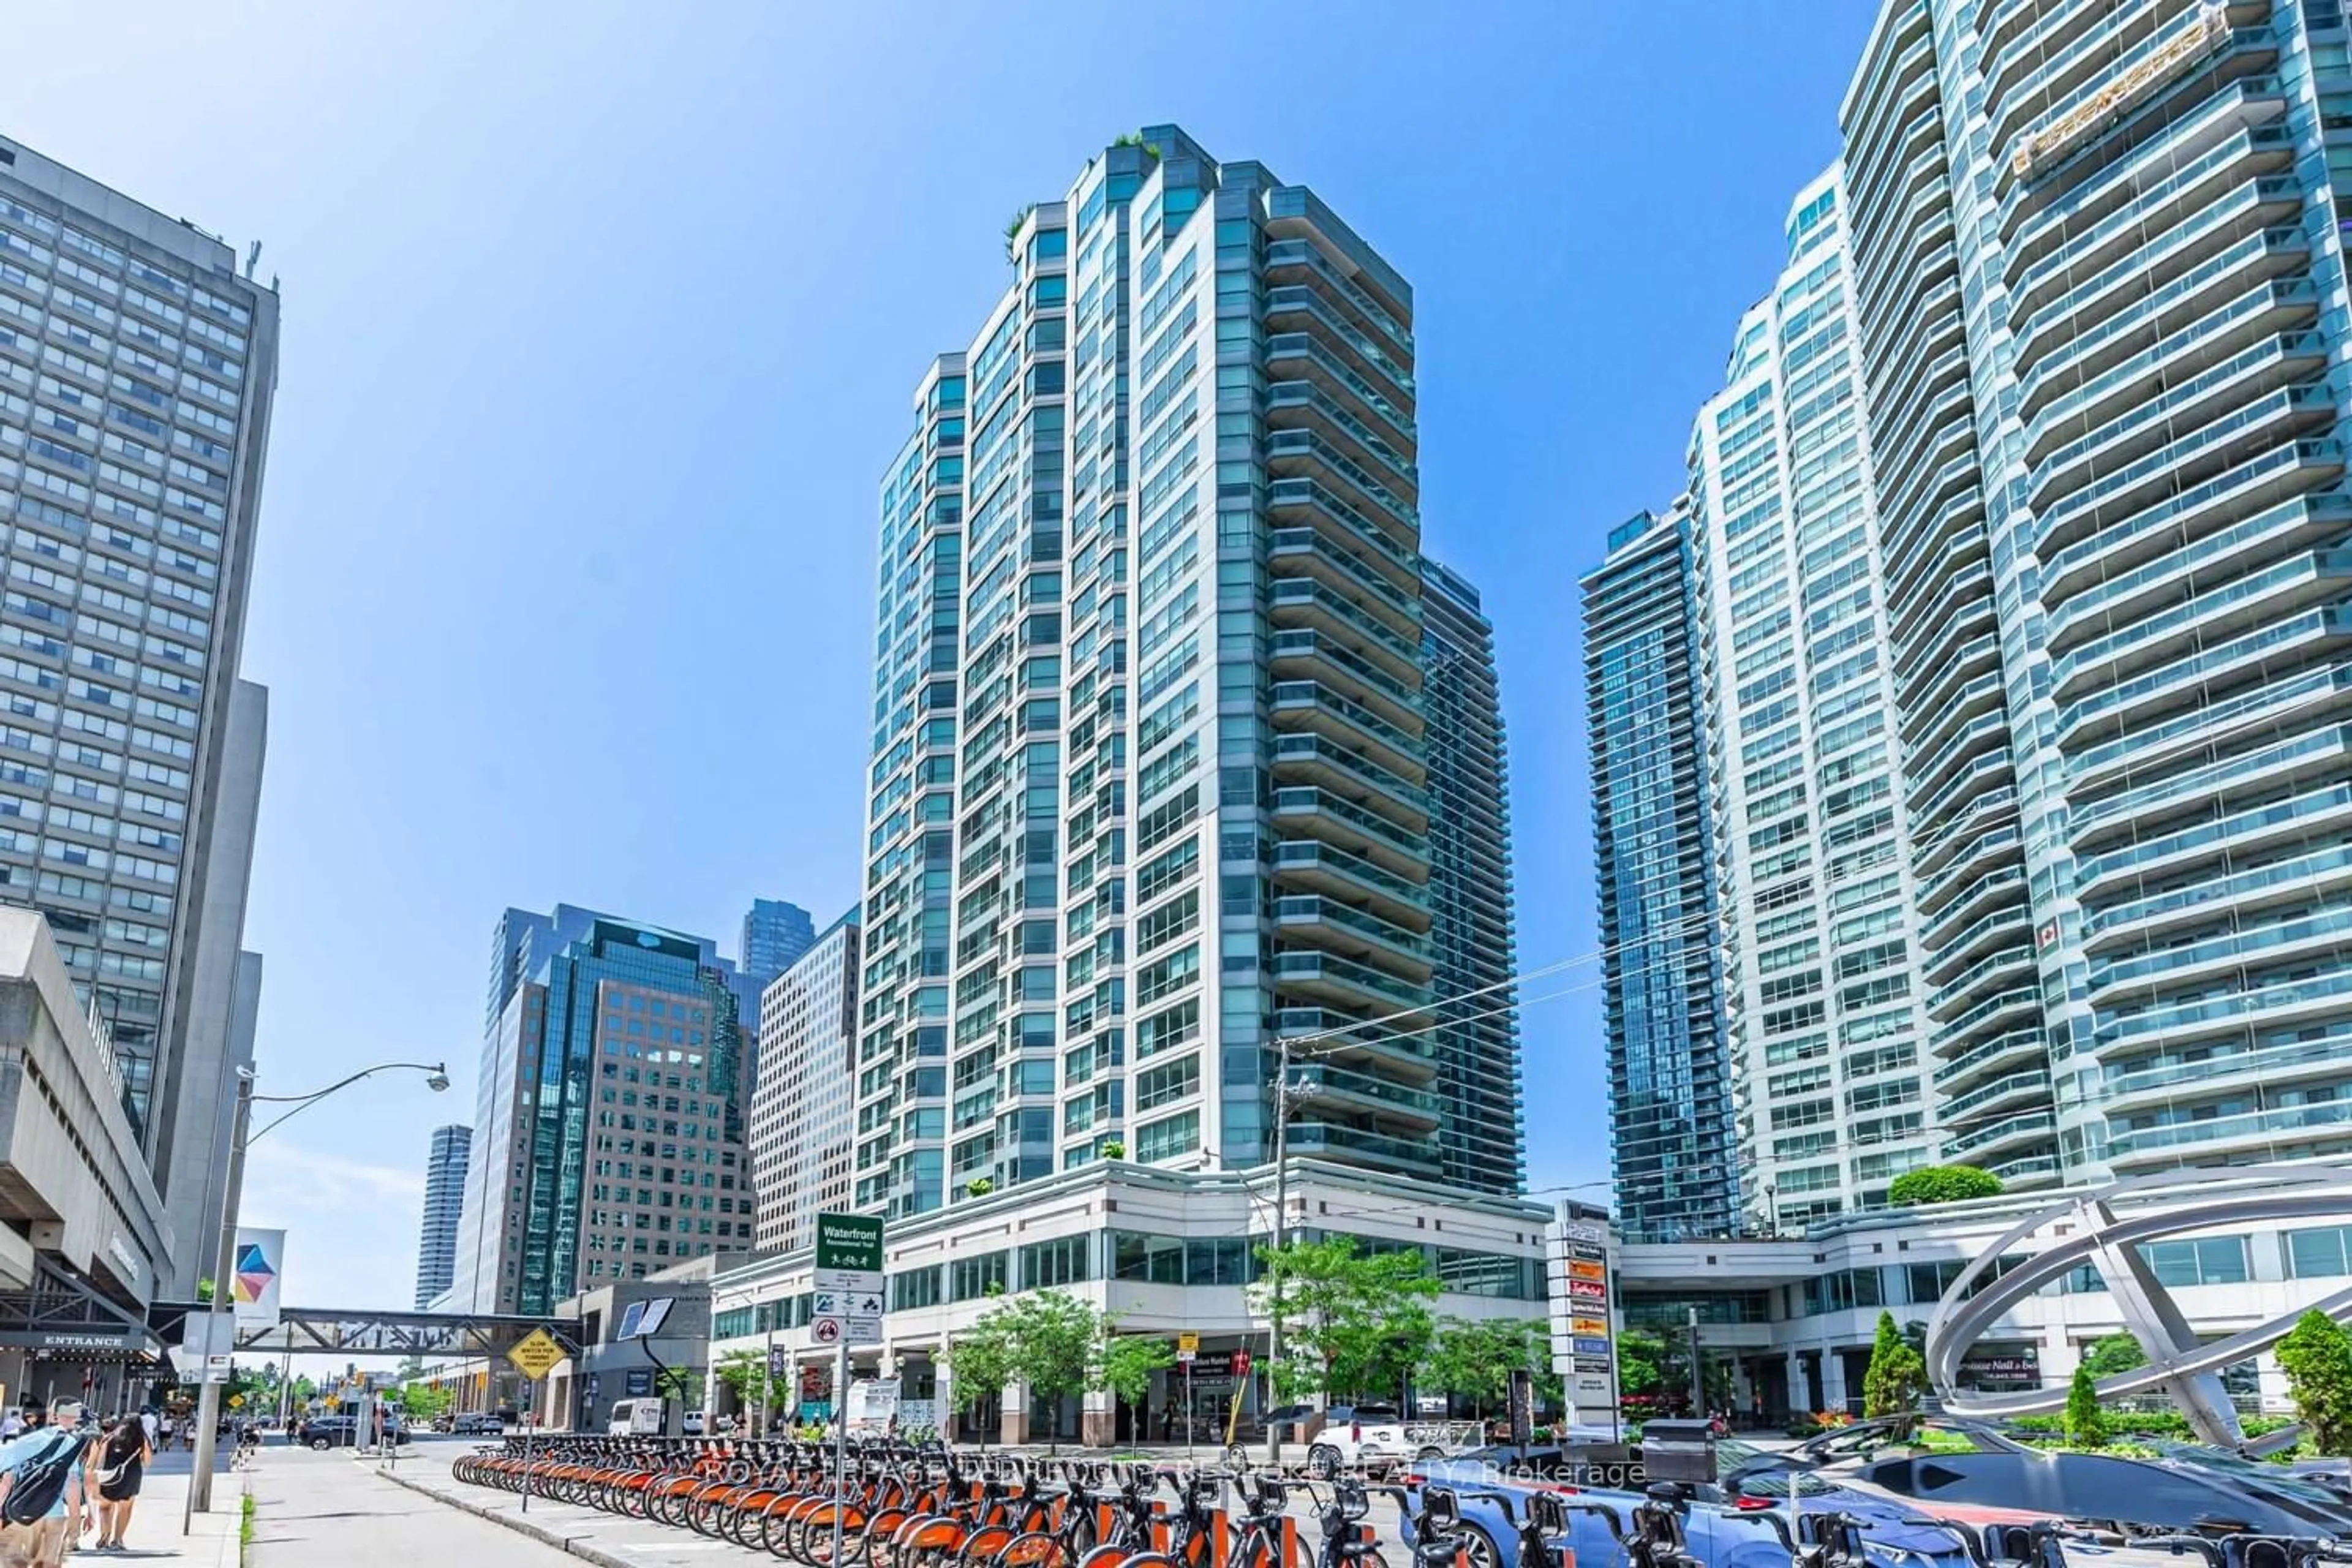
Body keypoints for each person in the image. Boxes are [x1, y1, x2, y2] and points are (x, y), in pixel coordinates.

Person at [0, 1400, 97, 1568]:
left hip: (19, 1512)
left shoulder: (23, 1442)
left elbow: (7, 1483)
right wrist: (75, 1519)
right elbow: (72, 1483)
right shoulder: (69, 1443)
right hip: (52, 1515)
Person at [89, 1412, 148, 1552]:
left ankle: (104, 1537)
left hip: (109, 1476)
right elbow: (147, 1461)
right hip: (131, 1476)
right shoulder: (141, 1440)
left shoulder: (109, 1438)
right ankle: (118, 1540)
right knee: (125, 1509)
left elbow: (99, 1459)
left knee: (105, 1507)